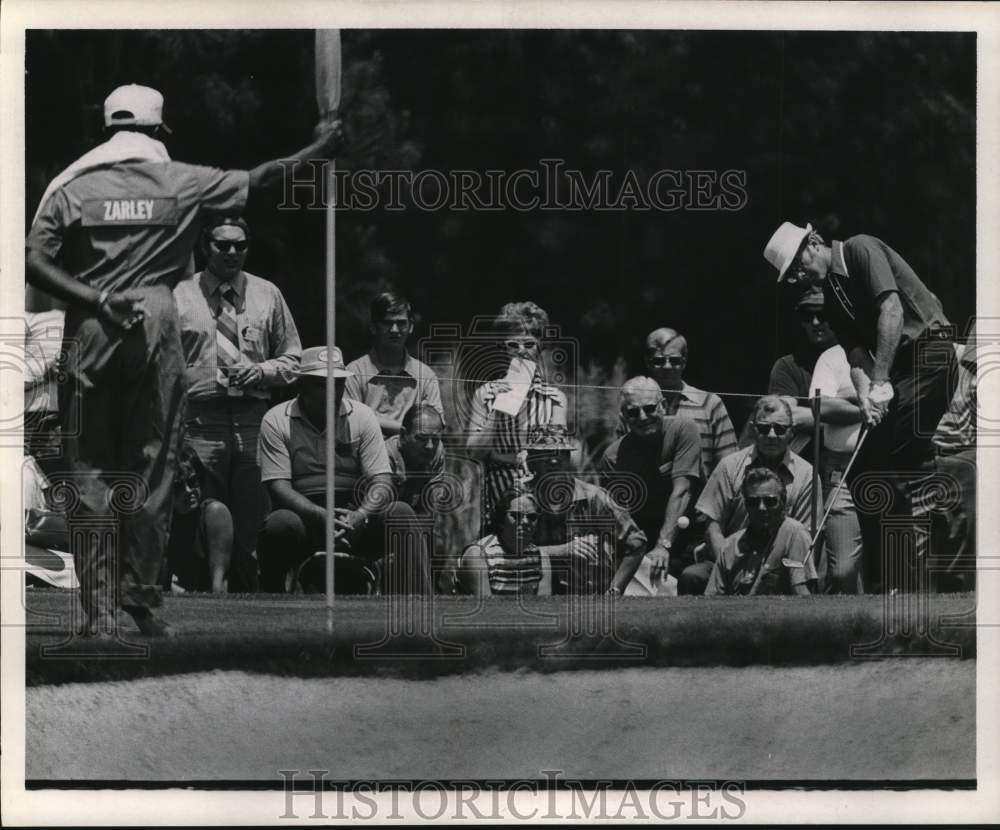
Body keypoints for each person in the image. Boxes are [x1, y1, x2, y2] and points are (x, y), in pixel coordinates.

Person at [24, 83, 342, 635]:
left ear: (106, 131)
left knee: (91, 473)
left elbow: (33, 262)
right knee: (153, 469)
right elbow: (263, 179)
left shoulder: (73, 187)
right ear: (158, 131)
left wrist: (95, 297)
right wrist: (320, 147)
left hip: (91, 324)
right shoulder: (183, 180)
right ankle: (143, 603)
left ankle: (99, 614)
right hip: (154, 321)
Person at [763, 222, 956, 476]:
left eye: (798, 266)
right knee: (862, 469)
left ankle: (939, 509)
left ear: (813, 243)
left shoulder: (859, 248)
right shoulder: (830, 296)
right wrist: (865, 398)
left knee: (891, 459)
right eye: (791, 275)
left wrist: (879, 381)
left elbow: (892, 310)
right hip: (903, 370)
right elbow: (855, 355)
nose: (799, 276)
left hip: (930, 354)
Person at [173, 215, 302, 592]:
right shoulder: (179, 294)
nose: (232, 252)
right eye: (222, 244)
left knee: (251, 517)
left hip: (252, 421)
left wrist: (261, 372)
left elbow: (294, 358)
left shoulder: (267, 294)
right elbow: (162, 364)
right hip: (199, 422)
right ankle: (205, 591)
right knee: (204, 513)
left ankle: (252, 595)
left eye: (240, 245)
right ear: (204, 246)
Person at [256, 346, 432, 594]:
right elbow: (278, 486)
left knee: (401, 512)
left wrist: (359, 515)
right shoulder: (276, 419)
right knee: (279, 524)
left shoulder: (362, 416)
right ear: (301, 385)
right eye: (321, 384)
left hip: (354, 515)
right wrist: (320, 515)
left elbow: (382, 480)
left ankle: (418, 602)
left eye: (338, 383)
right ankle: (267, 604)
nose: (332, 391)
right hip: (304, 517)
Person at [773, 288, 865, 594]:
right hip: (810, 472)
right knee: (831, 570)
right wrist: (864, 403)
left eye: (823, 315)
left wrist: (837, 404)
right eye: (806, 315)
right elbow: (788, 418)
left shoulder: (861, 351)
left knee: (878, 565)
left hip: (869, 464)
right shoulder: (789, 365)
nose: (815, 322)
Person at [679, 395, 813, 595]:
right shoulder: (729, 466)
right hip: (730, 558)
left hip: (779, 565)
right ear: (753, 429)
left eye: (780, 429)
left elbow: (802, 534)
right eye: (764, 428)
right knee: (692, 576)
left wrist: (763, 573)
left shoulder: (806, 474)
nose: (772, 435)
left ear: (791, 432)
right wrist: (729, 568)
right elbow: (713, 528)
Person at [466, 301, 568, 523]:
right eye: (513, 344)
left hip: (542, 495)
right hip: (498, 497)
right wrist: (496, 411)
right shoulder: (485, 393)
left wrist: (509, 456)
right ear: (503, 348)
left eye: (529, 344)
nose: (521, 352)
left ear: (541, 346)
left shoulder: (555, 398)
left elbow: (556, 455)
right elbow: (474, 451)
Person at [599, 377, 702, 585]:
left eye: (649, 408)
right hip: (641, 540)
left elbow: (682, 491)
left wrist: (663, 546)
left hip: (687, 535)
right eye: (633, 412)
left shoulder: (684, 429)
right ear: (623, 416)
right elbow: (620, 516)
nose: (643, 417)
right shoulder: (612, 457)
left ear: (663, 405)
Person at [524, 424, 647, 595]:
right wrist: (561, 551)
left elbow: (636, 544)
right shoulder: (519, 500)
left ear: (568, 458)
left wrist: (615, 590)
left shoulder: (595, 498)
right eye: (546, 454)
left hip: (590, 595)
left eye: (560, 453)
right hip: (535, 594)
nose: (553, 460)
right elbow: (502, 553)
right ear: (531, 461)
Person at [634, 327, 738, 480]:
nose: (667, 366)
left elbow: (730, 465)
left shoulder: (710, 404)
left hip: (700, 500)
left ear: (684, 361)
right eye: (659, 360)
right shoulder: (633, 407)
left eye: (674, 360)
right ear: (647, 362)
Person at [345, 292, 444, 438]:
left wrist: (374, 421)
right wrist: (406, 429)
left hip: (413, 455)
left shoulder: (426, 375)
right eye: (387, 323)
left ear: (410, 327)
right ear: (373, 327)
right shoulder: (354, 372)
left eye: (401, 323)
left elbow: (436, 424)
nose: (395, 330)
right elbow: (352, 421)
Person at [704, 468, 816, 597]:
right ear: (745, 505)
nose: (761, 508)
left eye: (770, 501)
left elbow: (801, 593)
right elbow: (712, 599)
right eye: (753, 502)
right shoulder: (729, 547)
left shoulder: (795, 534)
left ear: (783, 502)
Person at [459, 486, 552, 596]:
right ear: (501, 519)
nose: (525, 521)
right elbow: (484, 610)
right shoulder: (478, 556)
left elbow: (542, 607)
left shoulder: (541, 558)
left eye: (532, 517)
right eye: (516, 515)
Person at [164, 445, 233, 594]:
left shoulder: (215, 514)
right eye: (178, 486)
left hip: (205, 600)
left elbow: (219, 586)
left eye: (193, 481)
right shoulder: (158, 521)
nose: (188, 491)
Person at [385, 403, 446, 514]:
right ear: (403, 435)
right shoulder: (386, 456)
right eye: (421, 438)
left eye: (435, 440)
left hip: (414, 521)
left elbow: (431, 506)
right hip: (382, 521)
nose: (430, 446)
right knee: (400, 510)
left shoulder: (437, 452)